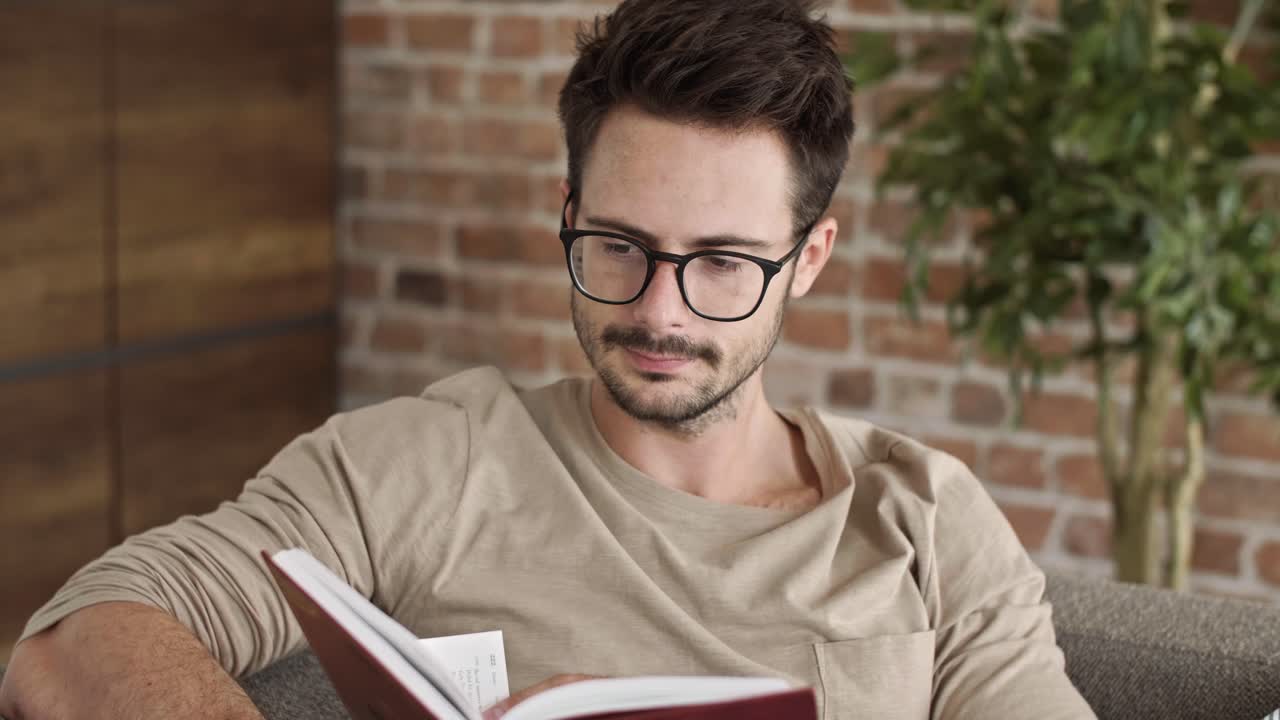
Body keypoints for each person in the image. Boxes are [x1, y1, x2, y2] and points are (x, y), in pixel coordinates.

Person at [0, 0, 1097, 718]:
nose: (658, 312)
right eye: (618, 246)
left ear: (807, 259)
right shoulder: (431, 462)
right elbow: (77, 638)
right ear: (568, 216)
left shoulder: (924, 519)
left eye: (722, 263)